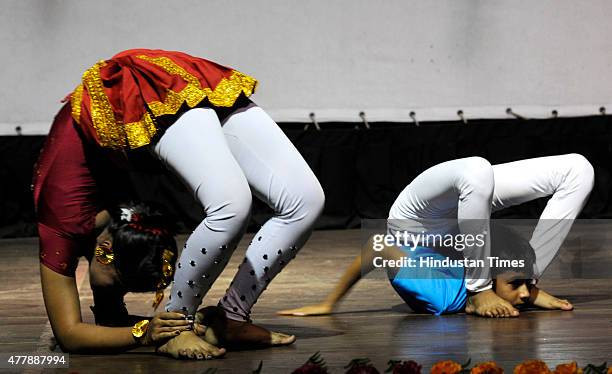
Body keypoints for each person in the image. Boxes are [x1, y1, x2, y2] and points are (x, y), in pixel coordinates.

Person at [35, 49, 325, 359]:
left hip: (132, 95)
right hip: (158, 97)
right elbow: (109, 323)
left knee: (278, 203)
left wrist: (149, 332)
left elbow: (69, 335)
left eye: (119, 286)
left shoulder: (61, 226)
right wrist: (144, 330)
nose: (115, 294)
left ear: (105, 251)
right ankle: (215, 320)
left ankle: (191, 323)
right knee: (292, 201)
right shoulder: (120, 231)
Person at [278, 155, 594, 318]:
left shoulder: (440, 293)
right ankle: (480, 286)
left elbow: (379, 248)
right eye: (520, 285)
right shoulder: (446, 297)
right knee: (478, 168)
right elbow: (379, 247)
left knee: (578, 169)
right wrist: (329, 303)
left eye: (522, 286)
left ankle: (504, 278)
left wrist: (527, 281)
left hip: (427, 228)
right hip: (430, 226)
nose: (525, 297)